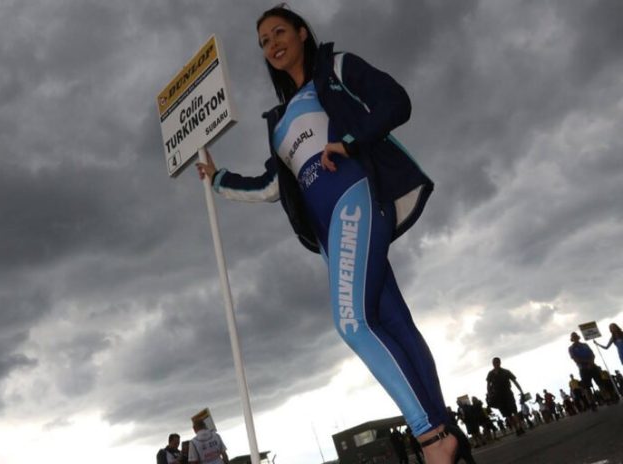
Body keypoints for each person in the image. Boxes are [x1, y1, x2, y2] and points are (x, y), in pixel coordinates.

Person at [195, 5, 473, 464]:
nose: (271, 44)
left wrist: (349, 139)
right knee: (393, 324)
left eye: (278, 32)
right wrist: (219, 178)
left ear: (302, 33)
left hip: (357, 198)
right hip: (329, 234)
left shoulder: (336, 70)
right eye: (263, 41)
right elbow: (271, 186)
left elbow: (395, 101)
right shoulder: (280, 120)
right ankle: (444, 430)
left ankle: (429, 439)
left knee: (351, 321)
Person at [485, 357, 526, 436]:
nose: (496, 364)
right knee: (507, 415)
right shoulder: (490, 374)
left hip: (508, 394)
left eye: (497, 362)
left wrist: (521, 391)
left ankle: (520, 427)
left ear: (500, 363)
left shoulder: (506, 372)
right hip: (498, 397)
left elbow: (515, 381)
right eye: (494, 363)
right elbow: (488, 386)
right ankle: (516, 429)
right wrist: (489, 395)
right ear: (493, 364)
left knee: (514, 411)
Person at [568, 332, 605, 411]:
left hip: (592, 365)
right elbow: (575, 359)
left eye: (576, 336)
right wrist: (587, 363)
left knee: (600, 383)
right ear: (572, 339)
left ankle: (607, 398)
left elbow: (592, 354)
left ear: (578, 337)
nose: (575, 338)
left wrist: (591, 362)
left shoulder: (585, 345)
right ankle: (592, 404)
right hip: (583, 368)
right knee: (587, 388)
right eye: (573, 337)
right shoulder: (571, 348)